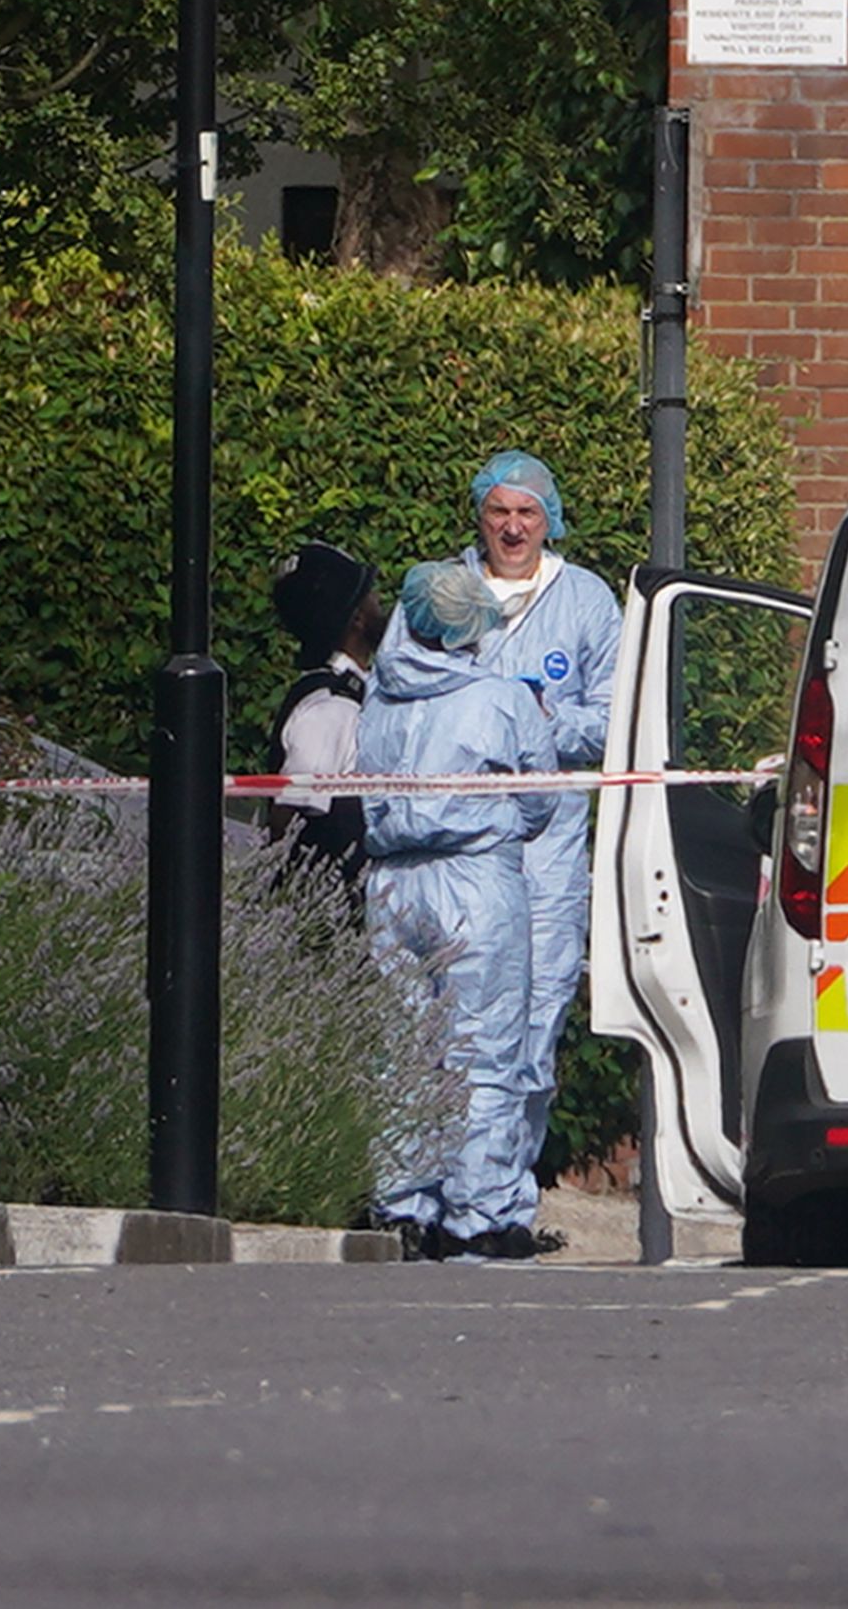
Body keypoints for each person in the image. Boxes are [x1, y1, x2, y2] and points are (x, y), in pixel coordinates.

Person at [358, 561, 557, 1260]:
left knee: (403, 1049)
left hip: (390, 883)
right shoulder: (501, 700)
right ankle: (480, 1210)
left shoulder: (377, 699)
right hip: (475, 881)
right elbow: (541, 799)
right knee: (485, 1047)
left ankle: (402, 1202)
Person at [455, 451, 622, 1196]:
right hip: (455, 844)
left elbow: (618, 717)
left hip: (547, 850)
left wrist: (546, 721)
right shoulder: (443, 594)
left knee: (534, 1020)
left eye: (527, 513)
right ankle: (443, 1188)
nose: (513, 527)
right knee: (450, 1025)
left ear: (548, 518)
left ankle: (502, 1195)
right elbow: (398, 691)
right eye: (499, 512)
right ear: (479, 517)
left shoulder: (585, 600)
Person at [265, 541, 386, 886]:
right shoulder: (330, 707)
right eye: (370, 595)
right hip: (330, 911)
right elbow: (290, 816)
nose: (379, 602)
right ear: (357, 619)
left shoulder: (350, 692)